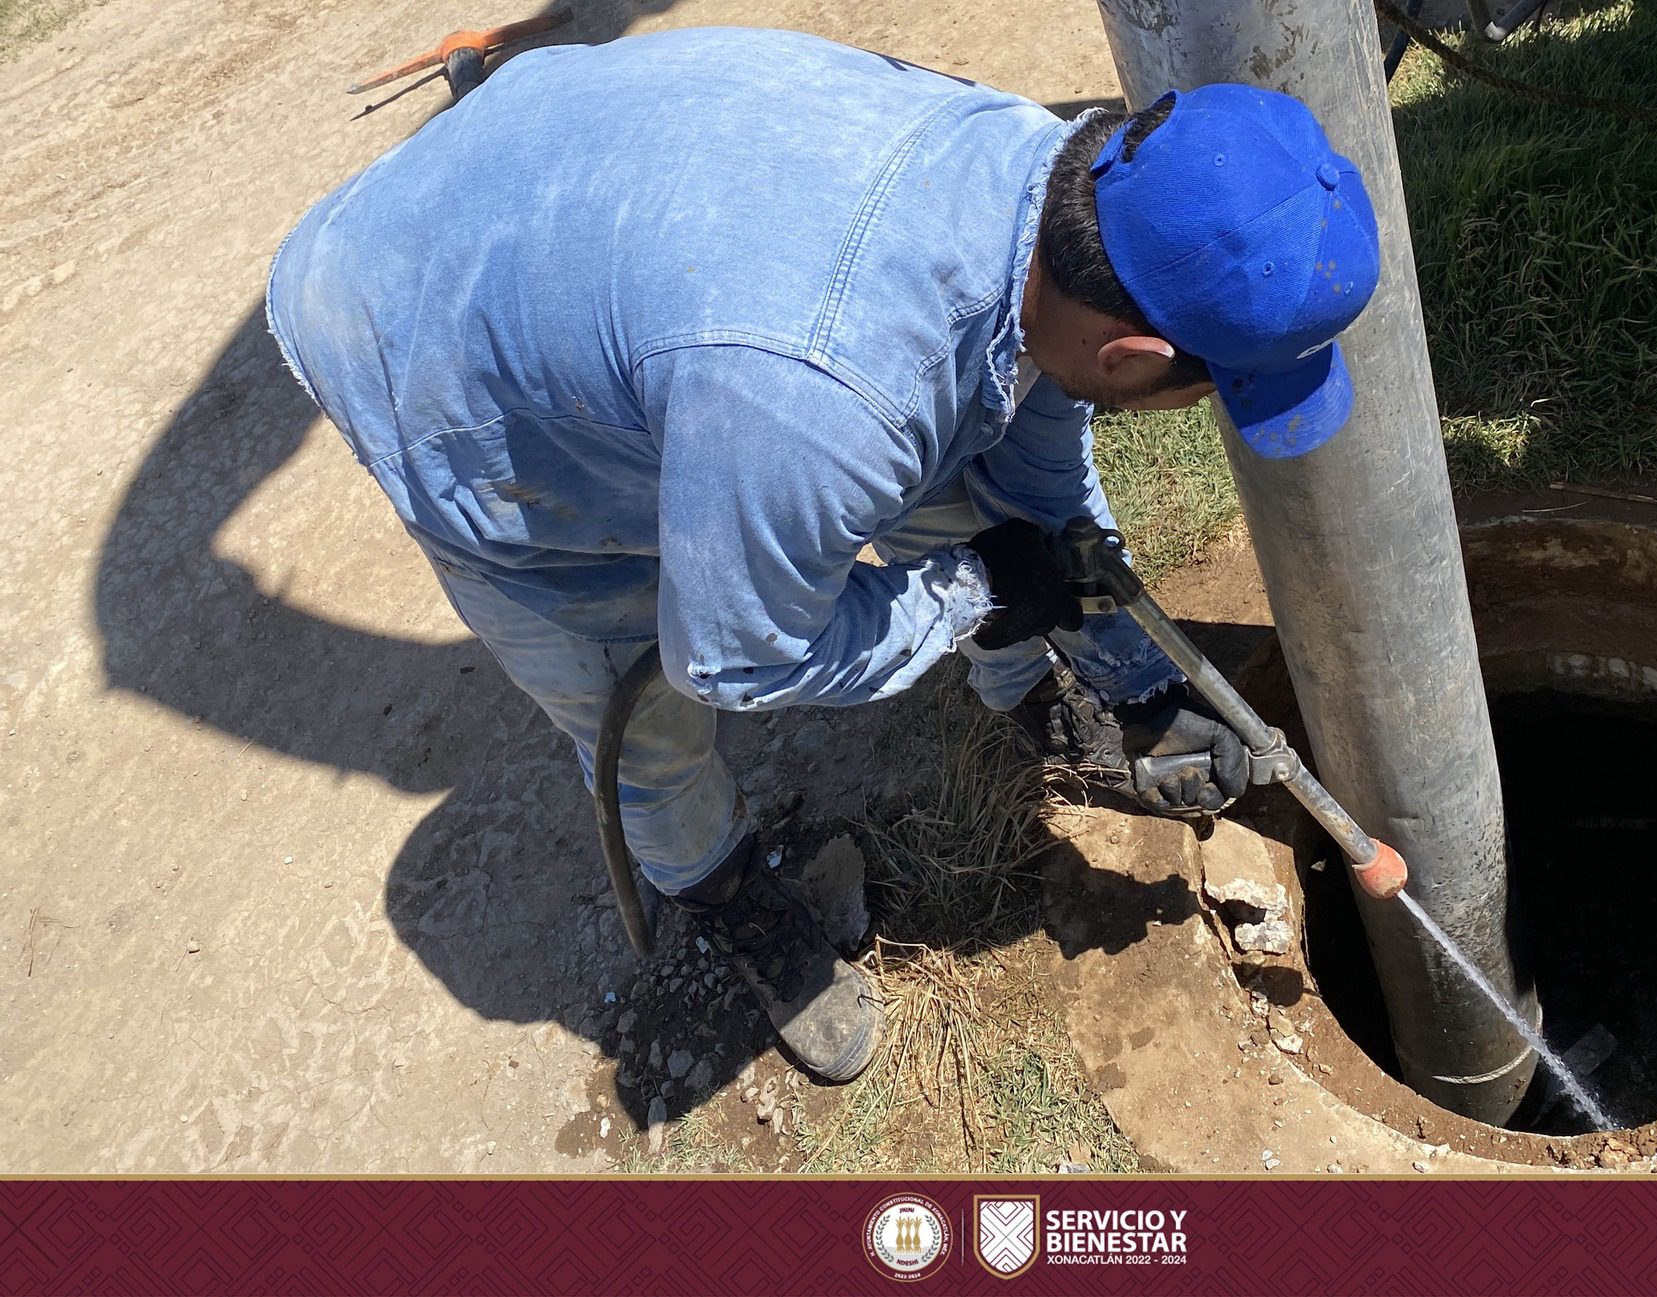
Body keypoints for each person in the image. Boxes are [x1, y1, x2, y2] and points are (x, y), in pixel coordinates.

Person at [265, 26, 1379, 1084]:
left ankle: (1024, 688)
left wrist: (1130, 683)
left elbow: (1033, 462)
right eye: (1207, 390)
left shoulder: (1054, 188)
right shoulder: (822, 399)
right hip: (409, 314)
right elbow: (733, 659)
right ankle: (721, 887)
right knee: (628, 686)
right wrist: (981, 585)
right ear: (1132, 349)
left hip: (586, 194)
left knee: (953, 493)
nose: (1191, 409)